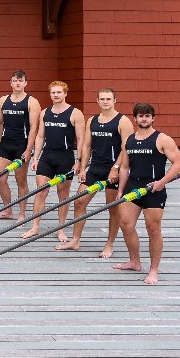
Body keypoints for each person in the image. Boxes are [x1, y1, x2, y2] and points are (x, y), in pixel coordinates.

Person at [112, 103, 180, 285]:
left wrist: (161, 183)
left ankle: (153, 270)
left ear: (153, 118)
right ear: (135, 118)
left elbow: (177, 164)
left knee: (153, 229)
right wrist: (120, 190)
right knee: (126, 224)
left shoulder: (162, 139)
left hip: (154, 188)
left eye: (147, 116)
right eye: (140, 116)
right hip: (133, 186)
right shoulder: (129, 140)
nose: (144, 119)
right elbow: (125, 166)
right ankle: (135, 261)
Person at [61, 87, 135, 253]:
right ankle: (75, 240)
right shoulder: (92, 120)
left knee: (112, 207)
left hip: (114, 170)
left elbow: (126, 149)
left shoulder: (123, 121)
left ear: (115, 100)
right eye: (102, 99)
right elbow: (87, 146)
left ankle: (109, 245)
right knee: (79, 201)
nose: (105, 102)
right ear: (97, 101)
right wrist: (82, 167)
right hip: (95, 168)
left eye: (108, 99)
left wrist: (116, 168)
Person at [25, 80, 85, 241]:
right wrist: (35, 158)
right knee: (41, 191)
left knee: (63, 194)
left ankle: (61, 229)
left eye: (59, 92)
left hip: (65, 157)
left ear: (65, 93)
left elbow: (81, 139)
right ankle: (35, 226)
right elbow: (40, 136)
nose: (56, 95)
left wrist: (79, 161)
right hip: (47, 156)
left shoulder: (75, 113)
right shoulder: (45, 112)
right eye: (53, 92)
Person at [0, 70, 40, 219]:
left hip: (21, 146)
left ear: (25, 83)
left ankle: (22, 213)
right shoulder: (3, 100)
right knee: (0, 179)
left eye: (20, 81)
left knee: (21, 181)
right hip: (5, 144)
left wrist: (28, 149)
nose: (18, 83)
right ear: (11, 83)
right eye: (15, 81)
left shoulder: (32, 101)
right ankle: (7, 210)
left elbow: (33, 128)